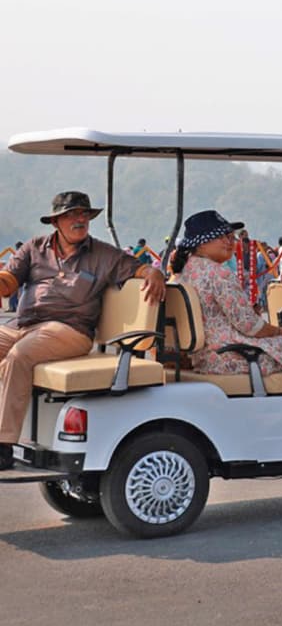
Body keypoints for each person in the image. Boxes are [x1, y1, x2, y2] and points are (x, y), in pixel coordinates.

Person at [0, 191, 166, 469]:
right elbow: (9, 279)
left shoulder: (103, 255)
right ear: (55, 222)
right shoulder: (34, 248)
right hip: (24, 324)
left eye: (84, 214)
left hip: (69, 330)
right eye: (71, 214)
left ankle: (3, 446)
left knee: (19, 357)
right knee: (15, 349)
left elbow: (139, 269)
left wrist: (155, 273)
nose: (80, 219)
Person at [171, 211, 282, 447]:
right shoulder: (218, 274)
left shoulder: (184, 273)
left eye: (231, 236)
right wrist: (281, 332)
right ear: (201, 243)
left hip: (207, 355)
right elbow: (250, 326)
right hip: (232, 354)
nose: (230, 241)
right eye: (222, 236)